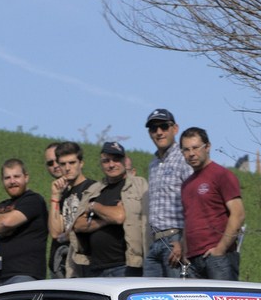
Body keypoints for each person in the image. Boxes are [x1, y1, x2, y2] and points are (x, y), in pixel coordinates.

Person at [70, 141, 148, 277]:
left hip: (125, 266)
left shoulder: (137, 185)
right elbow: (77, 225)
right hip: (94, 267)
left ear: (124, 161)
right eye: (106, 161)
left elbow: (119, 217)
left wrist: (95, 207)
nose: (111, 165)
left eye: (116, 160)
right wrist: (106, 220)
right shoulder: (94, 190)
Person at [179, 127, 245, 280]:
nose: (191, 154)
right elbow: (188, 220)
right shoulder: (186, 185)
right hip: (192, 261)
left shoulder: (222, 175)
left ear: (207, 147)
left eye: (195, 148)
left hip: (218, 258)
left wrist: (220, 250)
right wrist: (185, 251)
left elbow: (238, 214)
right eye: (186, 150)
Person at [0, 158, 48, 286]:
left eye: (16, 176)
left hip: (24, 275)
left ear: (26, 177)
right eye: (7, 178)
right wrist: (0, 231)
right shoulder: (1, 205)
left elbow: (6, 222)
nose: (12, 181)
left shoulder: (33, 200)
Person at [142, 108, 189, 277]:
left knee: (176, 296)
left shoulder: (184, 157)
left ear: (175, 129)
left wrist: (183, 241)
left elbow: (193, 203)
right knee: (149, 297)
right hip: (156, 241)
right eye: (154, 128)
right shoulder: (153, 164)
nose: (159, 132)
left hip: (175, 238)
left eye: (164, 126)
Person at [48, 141, 95, 278]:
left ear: (81, 163)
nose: (67, 168)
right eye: (63, 164)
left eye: (72, 163)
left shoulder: (92, 188)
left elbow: (88, 224)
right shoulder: (63, 195)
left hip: (86, 261)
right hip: (67, 263)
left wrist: (68, 234)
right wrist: (55, 196)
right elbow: (56, 232)